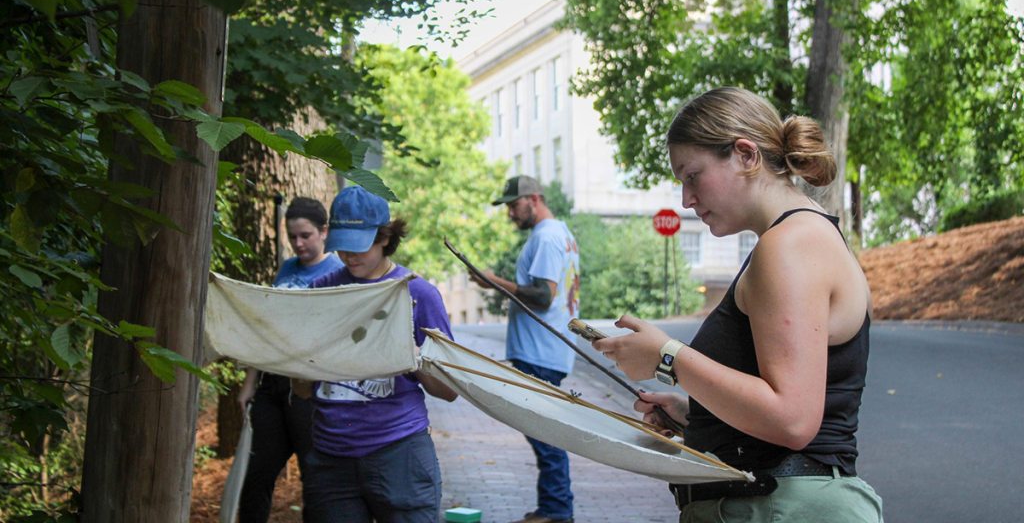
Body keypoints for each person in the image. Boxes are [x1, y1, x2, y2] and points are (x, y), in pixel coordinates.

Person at [593, 87, 883, 522]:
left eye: (692, 176)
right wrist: (700, 416)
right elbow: (782, 407)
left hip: (781, 506)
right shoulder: (798, 237)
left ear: (746, 154)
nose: (687, 200)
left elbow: (793, 420)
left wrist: (667, 356)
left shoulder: (789, 245)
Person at [302, 185, 458, 523]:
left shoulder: (418, 294)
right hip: (331, 459)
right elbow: (302, 389)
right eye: (342, 246)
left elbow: (449, 390)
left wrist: (411, 354)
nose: (349, 255)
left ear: (385, 237)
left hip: (399, 452)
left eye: (360, 246)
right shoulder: (319, 292)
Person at [470, 175, 581, 523]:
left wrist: (494, 282)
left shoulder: (547, 237)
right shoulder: (557, 233)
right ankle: (553, 507)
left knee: (544, 434)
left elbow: (544, 295)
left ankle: (557, 510)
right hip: (545, 351)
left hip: (540, 352)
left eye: (513, 206)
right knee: (543, 431)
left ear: (533, 199)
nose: (510, 214)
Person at [237, 196, 344, 523]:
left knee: (314, 477)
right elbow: (268, 328)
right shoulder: (286, 269)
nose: (298, 243)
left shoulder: (339, 271)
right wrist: (249, 384)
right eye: (292, 236)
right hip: (271, 386)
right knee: (256, 474)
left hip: (311, 390)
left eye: (305, 236)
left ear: (324, 232)